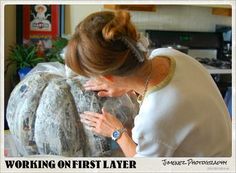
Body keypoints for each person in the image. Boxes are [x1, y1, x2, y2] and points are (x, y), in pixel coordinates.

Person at [65, 10, 232, 157]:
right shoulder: (169, 54)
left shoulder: (153, 120)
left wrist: (117, 133)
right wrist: (127, 85)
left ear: (108, 77)